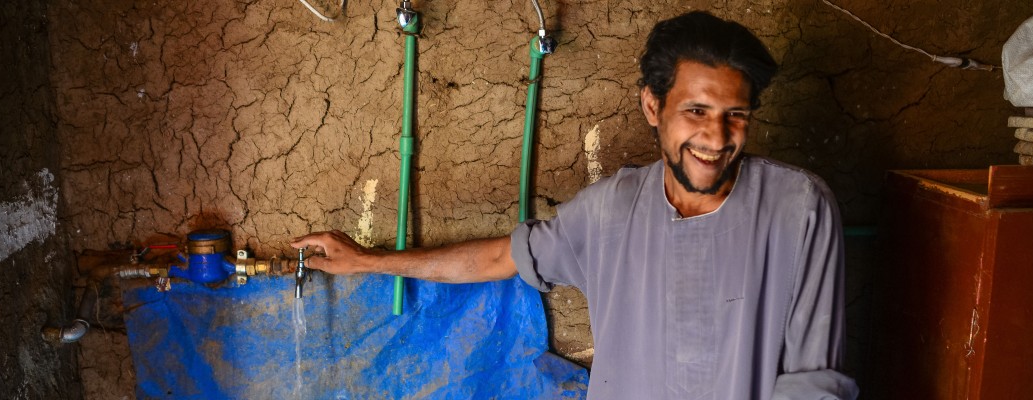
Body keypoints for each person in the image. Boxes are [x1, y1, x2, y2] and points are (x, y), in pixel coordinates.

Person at [291, 11, 859, 399]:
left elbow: (812, 382)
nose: (717, 136)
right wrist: (367, 260)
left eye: (735, 114)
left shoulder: (798, 209)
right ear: (652, 107)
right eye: (696, 111)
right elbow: (497, 259)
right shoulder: (611, 211)